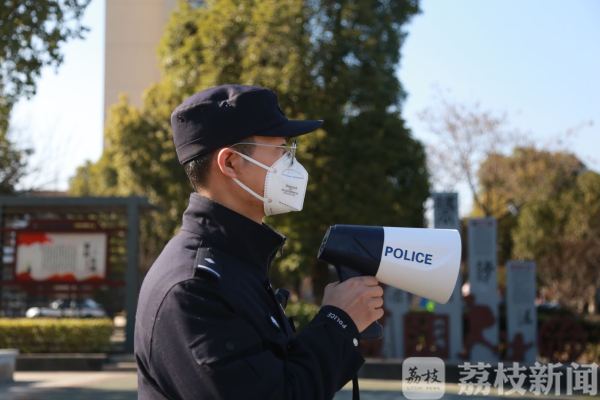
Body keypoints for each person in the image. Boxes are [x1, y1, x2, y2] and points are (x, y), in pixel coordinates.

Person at [134, 84, 385, 400]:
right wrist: (338, 321)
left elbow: (277, 375)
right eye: (281, 150)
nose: (292, 164)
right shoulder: (192, 288)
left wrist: (338, 321)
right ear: (230, 163)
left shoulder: (232, 265)